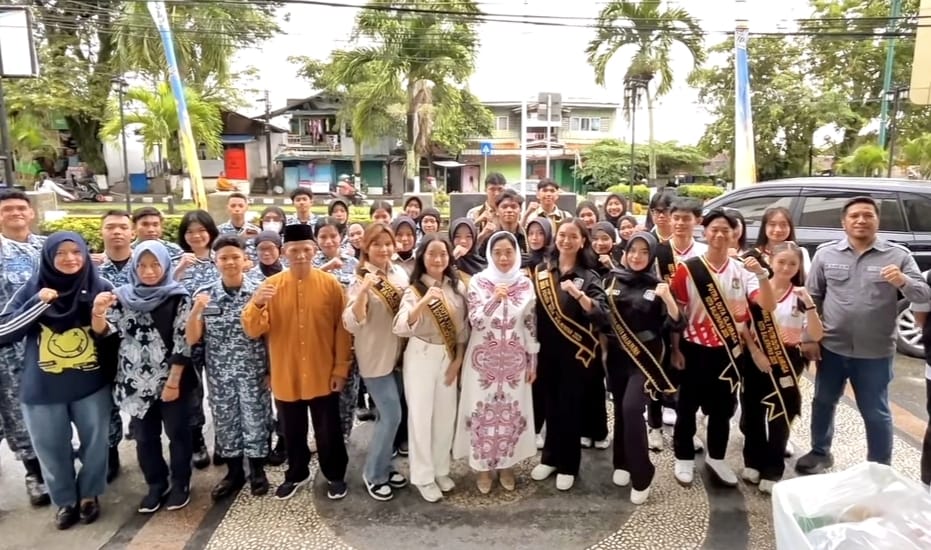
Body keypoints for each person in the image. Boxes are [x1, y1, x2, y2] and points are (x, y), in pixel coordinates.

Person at [796, 196, 930, 474]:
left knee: (875, 410)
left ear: (877, 221)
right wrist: (810, 337)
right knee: (823, 402)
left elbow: (923, 294)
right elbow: (813, 297)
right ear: (843, 222)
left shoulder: (898, 256)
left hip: (875, 351)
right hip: (832, 347)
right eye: (854, 215)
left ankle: (879, 467)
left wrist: (903, 281)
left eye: (868, 215)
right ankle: (820, 452)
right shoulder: (826, 254)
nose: (861, 220)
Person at [0, 233, 113, 529]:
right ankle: (64, 500)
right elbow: (3, 332)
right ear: (48, 257)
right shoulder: (33, 287)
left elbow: (116, 336)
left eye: (76, 251)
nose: (69, 258)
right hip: (42, 386)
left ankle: (89, 494)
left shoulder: (100, 286)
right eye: (60, 253)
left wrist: (100, 313)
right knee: (50, 447)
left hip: (91, 382)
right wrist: (38, 303)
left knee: (95, 443)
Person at [241, 224, 352, 501]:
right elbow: (253, 330)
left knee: (328, 430)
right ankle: (297, 472)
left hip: (322, 370)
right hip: (286, 372)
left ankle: (335, 474)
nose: (301, 255)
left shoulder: (331, 285)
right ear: (284, 253)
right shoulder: (270, 287)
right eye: (294, 250)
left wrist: (340, 369)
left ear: (314, 251)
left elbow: (342, 330)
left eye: (306, 249)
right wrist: (257, 304)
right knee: (292, 431)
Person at [669, 208, 774, 487]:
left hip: (729, 352)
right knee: (686, 407)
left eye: (725, 230)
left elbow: (766, 304)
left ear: (734, 235)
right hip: (692, 349)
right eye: (714, 229)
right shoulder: (688, 269)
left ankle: (717, 456)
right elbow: (678, 314)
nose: (719, 235)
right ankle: (683, 457)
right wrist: (675, 349)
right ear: (704, 232)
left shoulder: (743, 269)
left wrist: (763, 275)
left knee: (723, 409)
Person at [92, 241, 195, 514]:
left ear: (166, 266)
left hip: (171, 380)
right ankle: (155, 484)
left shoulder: (178, 297)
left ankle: (181, 483)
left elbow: (183, 342)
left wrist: (173, 382)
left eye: (155, 265)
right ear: (134, 267)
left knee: (178, 434)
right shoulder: (121, 296)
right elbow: (105, 332)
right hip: (134, 382)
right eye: (142, 265)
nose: (149, 271)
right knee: (145, 438)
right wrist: (98, 312)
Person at [186, 235, 272, 500]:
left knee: (257, 418)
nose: (230, 262)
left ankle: (257, 470)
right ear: (215, 261)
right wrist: (196, 311)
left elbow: (271, 335)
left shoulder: (260, 290)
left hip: (254, 370)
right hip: (220, 374)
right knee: (225, 422)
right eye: (223, 258)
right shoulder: (205, 294)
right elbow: (192, 338)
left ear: (246, 259)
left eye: (235, 257)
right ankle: (234, 473)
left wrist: (271, 370)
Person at [602, 232, 683, 504]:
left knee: (632, 408)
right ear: (625, 252)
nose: (637, 256)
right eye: (632, 250)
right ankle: (622, 462)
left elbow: (677, 323)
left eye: (644, 251)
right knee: (620, 409)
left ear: (651, 256)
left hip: (646, 357)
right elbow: (603, 319)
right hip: (616, 355)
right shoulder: (611, 279)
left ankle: (642, 473)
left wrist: (668, 299)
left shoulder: (658, 285)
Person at [454, 231, 538, 494]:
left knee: (512, 411)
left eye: (508, 252)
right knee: (482, 411)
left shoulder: (525, 284)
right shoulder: (479, 281)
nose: (503, 258)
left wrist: (533, 360)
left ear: (516, 254)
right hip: (483, 362)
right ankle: (482, 468)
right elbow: (476, 321)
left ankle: (507, 465)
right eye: (498, 252)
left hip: (515, 361)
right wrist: (494, 300)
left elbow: (530, 324)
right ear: (489, 254)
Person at [530, 219, 609, 491]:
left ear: (582, 241)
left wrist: (579, 296)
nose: (566, 240)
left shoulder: (588, 276)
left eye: (573, 236)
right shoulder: (542, 271)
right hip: (546, 352)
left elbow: (602, 314)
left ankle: (568, 465)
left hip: (576, 354)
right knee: (550, 406)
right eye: (562, 235)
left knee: (570, 409)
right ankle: (550, 458)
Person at [740, 242, 823, 494]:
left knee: (780, 414)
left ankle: (773, 468)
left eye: (792, 264)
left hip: (787, 359)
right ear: (771, 262)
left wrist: (810, 306)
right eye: (781, 262)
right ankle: (752, 461)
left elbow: (816, 334)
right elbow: (743, 325)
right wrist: (755, 353)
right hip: (755, 357)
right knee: (752, 410)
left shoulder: (800, 295)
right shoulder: (756, 289)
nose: (786, 267)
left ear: (799, 267)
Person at [392, 234, 469, 503]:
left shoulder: (457, 288)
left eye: (443, 254)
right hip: (421, 355)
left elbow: (462, 330)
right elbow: (400, 325)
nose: (438, 259)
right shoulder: (414, 290)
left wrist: (458, 361)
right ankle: (424, 477)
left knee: (446, 417)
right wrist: (423, 303)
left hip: (448, 356)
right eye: (432, 254)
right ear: (422, 257)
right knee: (421, 418)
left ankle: (440, 470)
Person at [343, 224, 410, 501]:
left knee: (388, 417)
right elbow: (351, 322)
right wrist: (362, 295)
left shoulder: (399, 273)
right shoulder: (360, 278)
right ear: (366, 248)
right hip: (374, 357)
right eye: (377, 244)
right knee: (392, 415)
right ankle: (373, 474)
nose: (383, 249)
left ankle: (385, 465)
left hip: (400, 356)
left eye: (388, 244)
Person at [0, 190, 50, 506]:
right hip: (9, 349)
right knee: (17, 411)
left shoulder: (49, 248)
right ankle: (35, 473)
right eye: (8, 209)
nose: (16, 213)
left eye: (21, 207)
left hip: (52, 343)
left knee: (57, 407)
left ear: (31, 213)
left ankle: (59, 463)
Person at [174, 209, 220, 469]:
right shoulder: (175, 261)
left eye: (201, 230)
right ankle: (197, 441)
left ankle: (224, 439)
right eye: (190, 232)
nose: (196, 236)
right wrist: (179, 269)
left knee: (220, 390)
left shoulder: (222, 258)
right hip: (187, 338)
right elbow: (162, 290)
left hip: (218, 337)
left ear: (210, 232)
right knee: (192, 391)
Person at [94, 210, 134, 477]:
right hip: (104, 346)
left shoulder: (146, 264)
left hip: (140, 346)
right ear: (102, 231)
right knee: (105, 404)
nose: (117, 232)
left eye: (123, 227)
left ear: (132, 232)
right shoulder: (91, 269)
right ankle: (110, 452)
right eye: (110, 227)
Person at [521, 217, 554, 448]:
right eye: (531, 233)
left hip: (549, 327)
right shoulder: (521, 261)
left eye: (540, 233)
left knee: (543, 380)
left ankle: (541, 428)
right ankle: (528, 426)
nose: (535, 237)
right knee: (527, 380)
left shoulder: (553, 260)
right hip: (525, 328)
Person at [449, 218, 487, 286]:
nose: (463, 241)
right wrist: (452, 258)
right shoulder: (446, 262)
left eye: (468, 236)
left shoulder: (483, 264)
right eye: (457, 236)